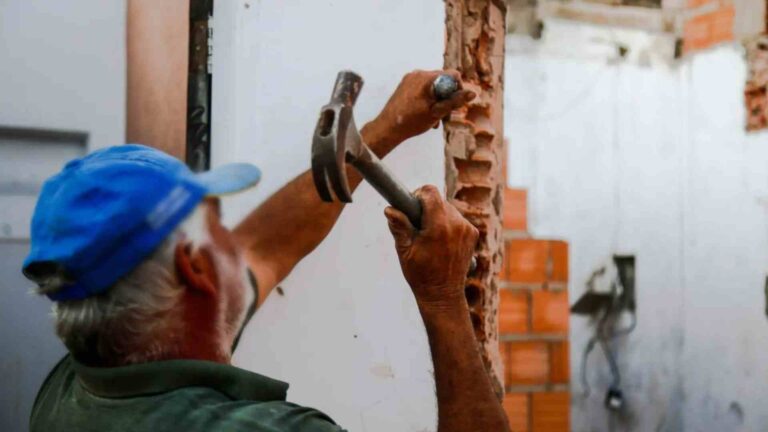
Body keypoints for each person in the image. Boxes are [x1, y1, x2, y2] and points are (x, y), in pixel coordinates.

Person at [24, 70, 510, 432]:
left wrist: (377, 135)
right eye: (213, 217)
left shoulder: (72, 388)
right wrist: (443, 298)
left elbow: (268, 245)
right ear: (196, 270)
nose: (235, 236)